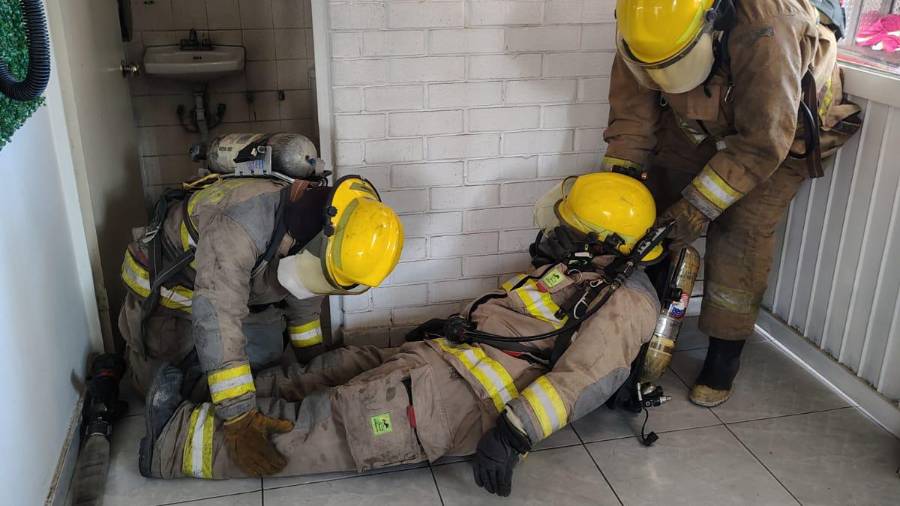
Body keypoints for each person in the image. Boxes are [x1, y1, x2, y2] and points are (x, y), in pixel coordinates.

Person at [137, 172, 662, 497]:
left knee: (334, 422)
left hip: (462, 400)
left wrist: (513, 433)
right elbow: (510, 317)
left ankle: (175, 444)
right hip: (442, 359)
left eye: (568, 226)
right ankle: (203, 395)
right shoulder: (579, 271)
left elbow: (584, 378)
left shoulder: (627, 301)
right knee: (330, 369)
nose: (555, 231)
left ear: (601, 241)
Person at [604, 0, 861, 407]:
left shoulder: (768, 24)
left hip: (783, 131)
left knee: (740, 231)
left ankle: (724, 356)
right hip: (699, 118)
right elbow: (632, 112)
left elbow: (763, 140)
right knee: (654, 213)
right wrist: (620, 182)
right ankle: (640, 333)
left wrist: (697, 207)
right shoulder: (642, 17)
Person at [117, 174, 403, 477]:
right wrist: (238, 416)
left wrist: (317, 365)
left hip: (221, 296)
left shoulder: (320, 225)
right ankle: (167, 421)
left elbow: (305, 301)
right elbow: (216, 314)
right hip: (167, 307)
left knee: (266, 353)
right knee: (188, 385)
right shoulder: (241, 222)